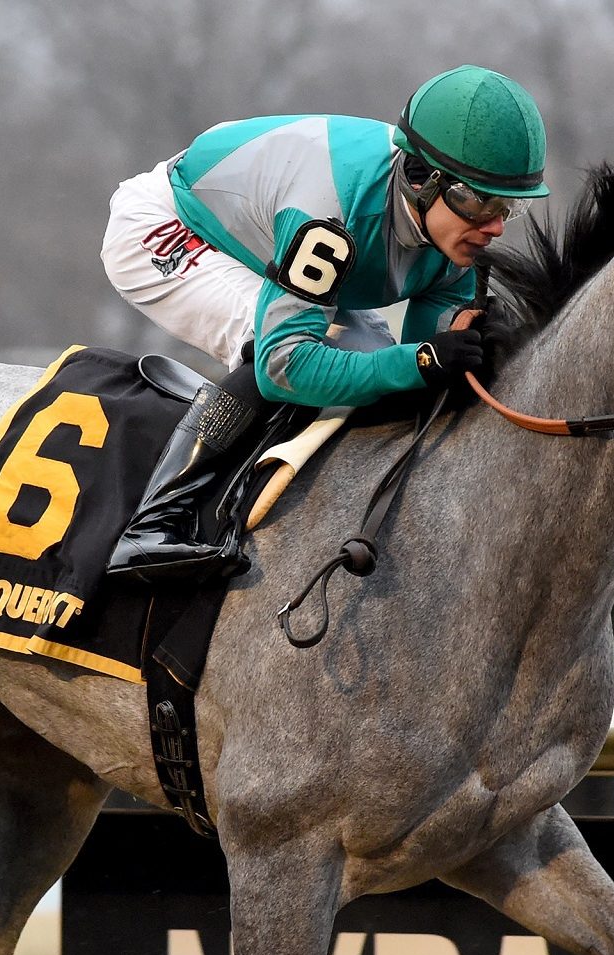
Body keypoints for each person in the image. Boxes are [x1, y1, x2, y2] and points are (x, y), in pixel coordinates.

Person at [100, 65, 548, 581]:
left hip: (263, 228)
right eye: (479, 200)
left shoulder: (455, 242)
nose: (493, 225)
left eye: (507, 206)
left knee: (369, 355)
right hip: (166, 223)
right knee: (313, 348)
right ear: (424, 181)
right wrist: (424, 358)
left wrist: (446, 355)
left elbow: (426, 373)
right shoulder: (331, 217)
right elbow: (282, 367)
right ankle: (152, 526)